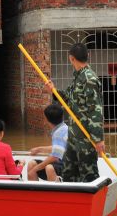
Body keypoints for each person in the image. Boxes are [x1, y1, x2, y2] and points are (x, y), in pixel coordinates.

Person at [44, 43, 104, 183]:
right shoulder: (77, 77)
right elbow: (67, 100)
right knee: (68, 173)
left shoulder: (89, 78)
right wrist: (53, 91)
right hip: (73, 136)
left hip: (86, 137)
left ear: (71, 58)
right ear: (87, 56)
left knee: (89, 175)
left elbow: (95, 109)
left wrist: (98, 139)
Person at [26, 104, 68, 182]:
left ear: (47, 120)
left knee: (48, 168)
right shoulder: (63, 128)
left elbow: (54, 157)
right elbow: (59, 148)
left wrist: (35, 170)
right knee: (32, 164)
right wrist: (39, 149)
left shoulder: (59, 133)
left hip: (66, 166)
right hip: (60, 163)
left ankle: (55, 190)